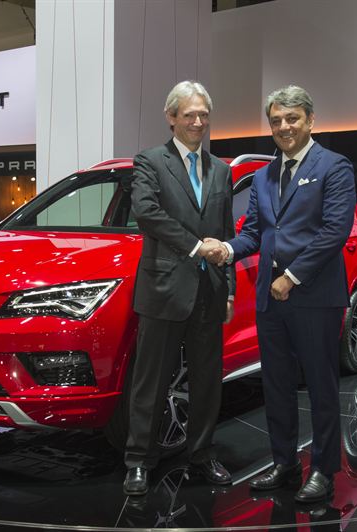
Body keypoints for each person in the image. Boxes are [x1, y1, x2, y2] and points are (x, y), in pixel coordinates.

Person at [211, 85, 356, 503]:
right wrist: (226, 249)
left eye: (292, 118)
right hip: (270, 299)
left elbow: (335, 230)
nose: (284, 127)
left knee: (321, 386)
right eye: (276, 120)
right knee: (275, 385)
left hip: (314, 296)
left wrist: (291, 276)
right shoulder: (263, 176)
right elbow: (255, 233)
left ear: (310, 120)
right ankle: (285, 462)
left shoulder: (334, 166)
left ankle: (323, 470)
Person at [122, 81, 236, 496]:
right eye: (189, 114)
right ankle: (139, 460)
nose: (198, 122)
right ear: (171, 117)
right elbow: (147, 213)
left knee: (207, 382)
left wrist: (229, 290)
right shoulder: (150, 161)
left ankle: (202, 454)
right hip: (165, 289)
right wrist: (196, 246)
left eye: (204, 114)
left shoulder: (221, 170)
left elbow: (226, 232)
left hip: (210, 290)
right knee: (150, 382)